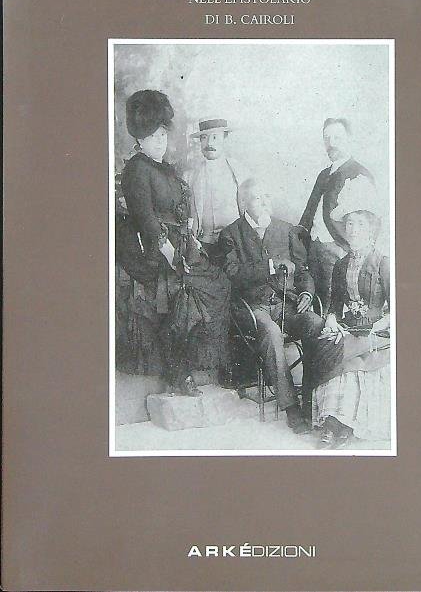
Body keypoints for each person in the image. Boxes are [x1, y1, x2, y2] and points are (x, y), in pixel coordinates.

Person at [119, 90, 231, 394]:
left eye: (162, 135)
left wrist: (190, 237)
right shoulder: (137, 169)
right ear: (139, 139)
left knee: (219, 284)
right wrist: (171, 255)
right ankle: (179, 371)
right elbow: (146, 219)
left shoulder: (164, 167)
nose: (160, 141)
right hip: (154, 251)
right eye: (152, 136)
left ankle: (206, 364)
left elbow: (181, 207)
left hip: (181, 244)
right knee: (187, 292)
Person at [219, 179, 324, 434]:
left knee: (316, 324)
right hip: (252, 307)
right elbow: (231, 274)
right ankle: (291, 408)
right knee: (272, 333)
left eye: (267, 196)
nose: (265, 202)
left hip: (286, 304)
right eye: (258, 198)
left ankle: (313, 398)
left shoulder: (286, 229)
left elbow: (303, 271)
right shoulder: (231, 234)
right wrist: (268, 267)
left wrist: (307, 293)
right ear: (244, 203)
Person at [311, 209, 391, 449]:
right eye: (349, 224)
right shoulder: (341, 264)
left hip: (378, 331)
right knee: (328, 346)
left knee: (347, 360)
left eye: (360, 224)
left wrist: (380, 323)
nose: (353, 230)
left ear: (371, 230)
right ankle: (332, 423)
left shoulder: (383, 263)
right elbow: (335, 305)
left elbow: (397, 306)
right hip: (351, 327)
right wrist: (331, 319)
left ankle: (342, 425)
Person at [299, 118, 375, 309]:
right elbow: (310, 210)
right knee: (315, 302)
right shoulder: (324, 174)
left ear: (349, 139)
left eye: (337, 137)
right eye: (327, 138)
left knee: (334, 304)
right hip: (314, 247)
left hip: (338, 249)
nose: (331, 143)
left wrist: (348, 248)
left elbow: (367, 222)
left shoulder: (359, 174)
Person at [186, 118, 249, 262]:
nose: (209, 143)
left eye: (215, 137)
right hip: (203, 245)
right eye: (204, 137)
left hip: (234, 246)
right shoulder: (190, 175)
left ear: (225, 139)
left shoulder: (239, 172)